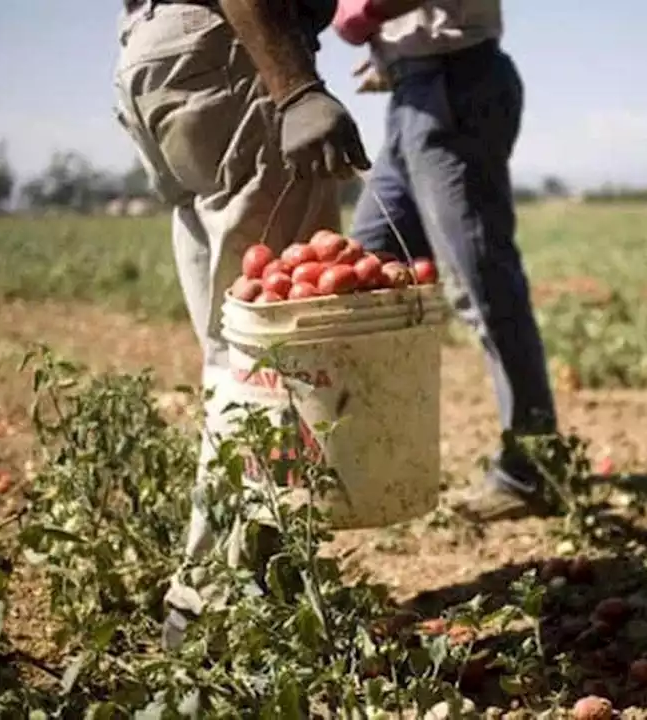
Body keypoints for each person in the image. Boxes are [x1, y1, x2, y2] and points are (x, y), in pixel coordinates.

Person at [112, 0, 371, 649]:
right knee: (276, 355)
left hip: (159, 56)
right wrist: (297, 87)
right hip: (233, 53)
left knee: (238, 354)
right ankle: (219, 606)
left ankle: (246, 590)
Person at [331, 0, 563, 523]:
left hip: (455, 84)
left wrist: (362, 13)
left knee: (482, 283)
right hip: (414, 89)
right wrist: (390, 49)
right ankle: (370, 458)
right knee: (364, 268)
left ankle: (533, 469)